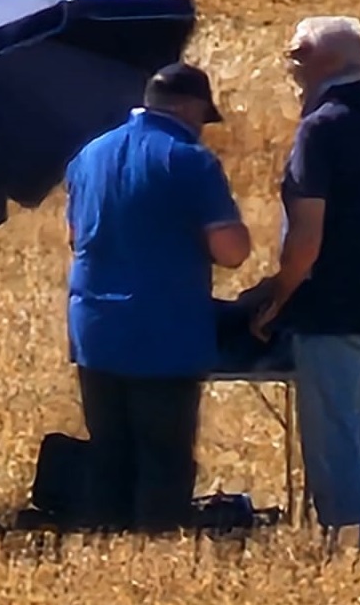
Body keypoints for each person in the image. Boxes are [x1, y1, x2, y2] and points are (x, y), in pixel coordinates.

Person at [250, 16, 360, 551]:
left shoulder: (319, 128)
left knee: (335, 440)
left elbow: (306, 236)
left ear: (317, 59)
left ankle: (350, 550)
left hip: (330, 310)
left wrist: (277, 297)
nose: (291, 66)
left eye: (295, 55)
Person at [64, 61, 251, 533]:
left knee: (109, 453)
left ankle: (107, 549)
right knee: (163, 458)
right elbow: (230, 252)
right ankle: (155, 553)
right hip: (163, 329)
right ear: (189, 108)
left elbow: (73, 234)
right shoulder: (190, 159)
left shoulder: (89, 155)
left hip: (96, 326)